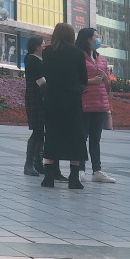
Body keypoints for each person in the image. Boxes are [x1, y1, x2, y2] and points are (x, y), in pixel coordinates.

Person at [40, 23, 88, 188]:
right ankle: (74, 178)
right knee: (75, 136)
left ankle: (48, 176)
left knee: (52, 135)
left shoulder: (47, 52)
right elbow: (84, 77)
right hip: (72, 99)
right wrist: (78, 88)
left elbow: (45, 74)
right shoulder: (77, 53)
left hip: (52, 98)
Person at [76, 28, 115, 183]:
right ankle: (79, 169)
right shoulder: (78, 56)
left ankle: (97, 170)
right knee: (82, 137)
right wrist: (91, 82)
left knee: (95, 139)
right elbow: (75, 79)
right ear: (87, 39)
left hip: (100, 103)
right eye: (95, 37)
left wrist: (106, 78)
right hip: (85, 103)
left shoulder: (101, 59)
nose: (98, 40)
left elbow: (108, 85)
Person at [23, 37, 46, 176]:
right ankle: (29, 163)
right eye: (43, 43)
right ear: (37, 46)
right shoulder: (33, 60)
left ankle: (38, 163)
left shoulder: (37, 60)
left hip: (38, 99)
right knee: (37, 131)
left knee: (41, 131)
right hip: (35, 99)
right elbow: (41, 82)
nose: (45, 45)